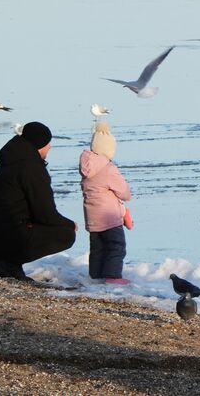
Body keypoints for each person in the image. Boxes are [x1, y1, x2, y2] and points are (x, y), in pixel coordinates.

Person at [0, 121, 77, 281]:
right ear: (38, 145)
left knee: (26, 221)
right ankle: (9, 262)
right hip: (8, 235)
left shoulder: (8, 161)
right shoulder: (31, 168)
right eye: (47, 143)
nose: (50, 147)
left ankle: (8, 264)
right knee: (65, 234)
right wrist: (69, 224)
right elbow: (45, 213)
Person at [79, 121, 133, 284]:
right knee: (116, 247)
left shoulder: (86, 168)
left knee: (97, 249)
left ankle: (96, 275)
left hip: (92, 218)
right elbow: (124, 193)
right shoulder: (109, 169)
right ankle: (112, 276)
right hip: (110, 218)